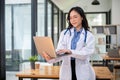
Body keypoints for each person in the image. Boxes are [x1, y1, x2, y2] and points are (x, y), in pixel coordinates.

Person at [42, 6, 95, 80]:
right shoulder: (64, 33)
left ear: (82, 17)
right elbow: (60, 52)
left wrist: (70, 52)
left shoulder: (89, 35)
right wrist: (51, 58)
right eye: (70, 18)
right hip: (67, 71)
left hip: (82, 71)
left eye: (75, 17)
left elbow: (86, 54)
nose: (72, 20)